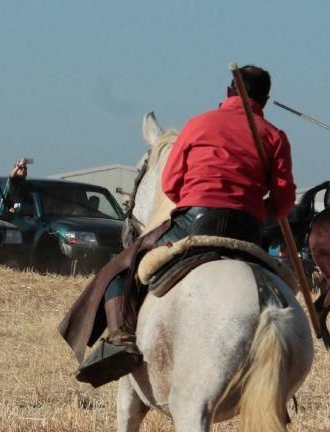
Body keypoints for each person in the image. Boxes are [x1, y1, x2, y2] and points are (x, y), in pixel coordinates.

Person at [75, 65, 296, 386]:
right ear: (266, 98)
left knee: (122, 266)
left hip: (197, 221)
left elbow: (172, 184)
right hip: (248, 229)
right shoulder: (275, 136)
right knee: (282, 287)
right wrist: (256, 209)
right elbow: (283, 201)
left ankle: (122, 337)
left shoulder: (198, 125)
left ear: (228, 92)